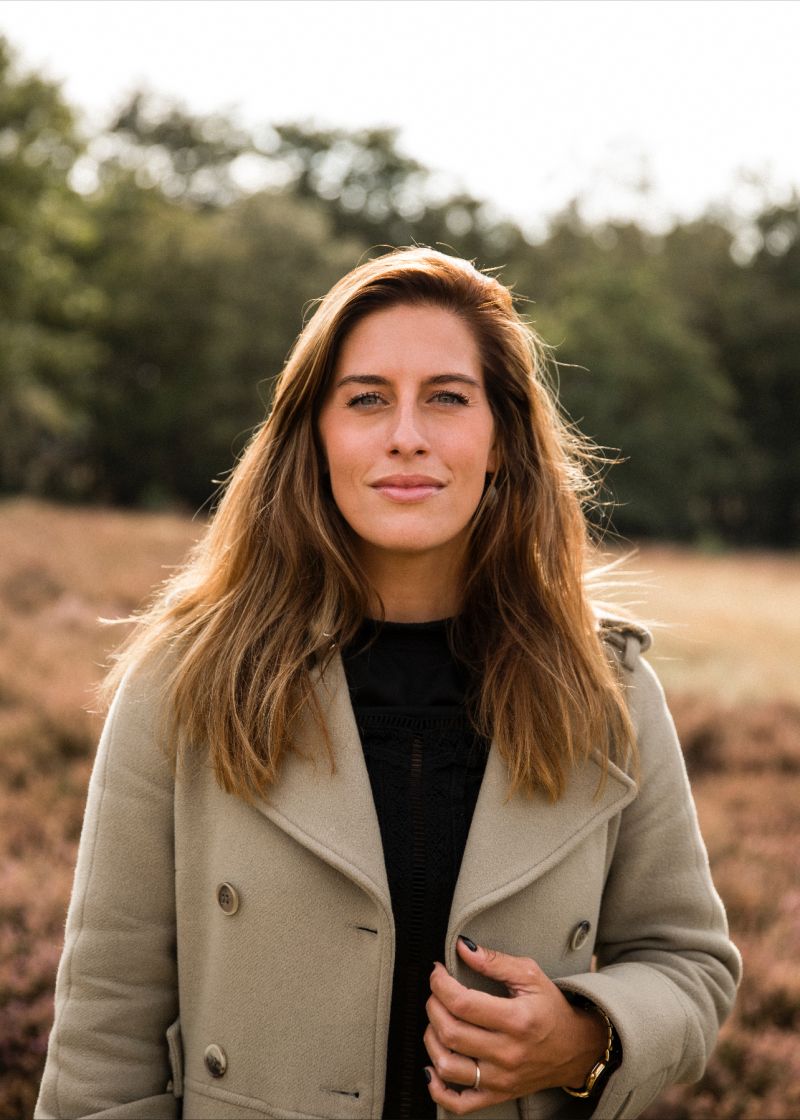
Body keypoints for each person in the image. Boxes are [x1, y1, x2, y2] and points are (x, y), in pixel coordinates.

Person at [35, 247, 740, 1120]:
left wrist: (585, 1039)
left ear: (501, 440)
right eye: (367, 399)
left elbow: (690, 964)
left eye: (447, 397)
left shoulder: (606, 692)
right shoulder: (186, 682)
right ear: (315, 437)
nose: (407, 434)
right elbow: (105, 1027)